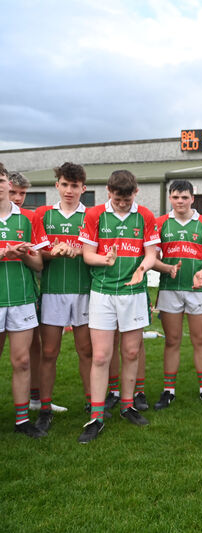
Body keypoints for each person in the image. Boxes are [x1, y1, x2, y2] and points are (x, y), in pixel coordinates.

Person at [77, 170, 160, 443]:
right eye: (117, 199)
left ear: (135, 192)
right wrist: (105, 260)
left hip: (134, 292)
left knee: (132, 352)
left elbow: (151, 253)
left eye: (127, 199)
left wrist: (143, 268)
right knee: (101, 356)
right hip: (102, 292)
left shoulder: (145, 216)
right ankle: (96, 417)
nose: (122, 204)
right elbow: (88, 255)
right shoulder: (94, 215)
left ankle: (127, 406)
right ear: (108, 192)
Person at [33, 162, 94, 433]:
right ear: (57, 185)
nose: (70, 190)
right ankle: (44, 408)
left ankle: (93, 405)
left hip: (83, 291)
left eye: (75, 186)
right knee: (49, 352)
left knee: (86, 351)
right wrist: (53, 252)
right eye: (65, 185)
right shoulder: (43, 215)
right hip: (53, 291)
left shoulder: (92, 216)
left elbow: (96, 251)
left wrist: (77, 250)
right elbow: (37, 253)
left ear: (84, 188)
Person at [152, 180, 202, 410]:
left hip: (197, 290)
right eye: (175, 197)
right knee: (172, 341)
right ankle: (168, 391)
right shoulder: (160, 223)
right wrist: (167, 269)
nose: (180, 201)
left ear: (192, 198)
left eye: (184, 197)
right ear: (170, 198)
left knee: (200, 340)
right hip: (170, 289)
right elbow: (152, 258)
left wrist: (201, 272)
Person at [5, 171, 68, 414]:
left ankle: (35, 399)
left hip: (27, 291)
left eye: (22, 193)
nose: (19, 198)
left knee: (33, 349)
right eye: (14, 192)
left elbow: (40, 260)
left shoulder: (30, 218)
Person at [0, 163, 47, 437]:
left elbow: (39, 264)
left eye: (1, 179)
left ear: (8, 183)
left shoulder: (28, 219)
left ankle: (21, 421)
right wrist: (6, 252)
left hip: (22, 299)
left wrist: (24, 254)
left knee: (23, 362)